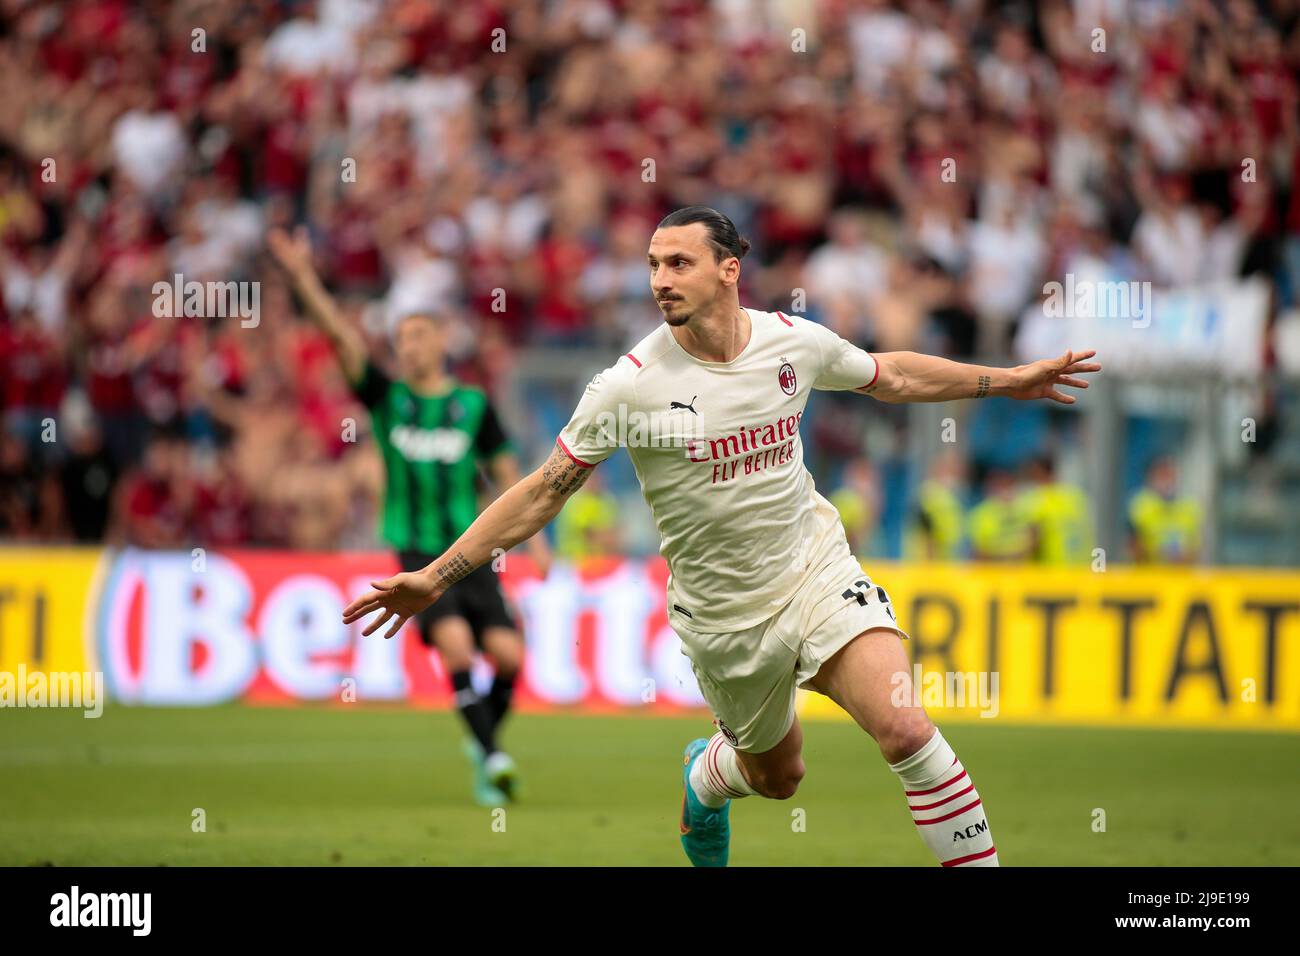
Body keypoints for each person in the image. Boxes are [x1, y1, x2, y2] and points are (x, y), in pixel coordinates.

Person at [342, 206, 1101, 866]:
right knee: (780, 777)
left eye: (678, 262)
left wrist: (1009, 379)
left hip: (815, 568)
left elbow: (891, 376)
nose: (660, 279)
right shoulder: (628, 386)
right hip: (724, 618)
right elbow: (543, 490)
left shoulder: (791, 343)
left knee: (904, 727)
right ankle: (707, 777)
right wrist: (436, 577)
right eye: (652, 265)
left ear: (728, 270)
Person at [267, 226, 551, 806]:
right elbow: (342, 338)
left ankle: (482, 743)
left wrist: (538, 543)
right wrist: (303, 279)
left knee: (509, 659)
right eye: (400, 338)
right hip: (417, 552)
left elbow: (505, 473)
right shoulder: (386, 398)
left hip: (474, 547)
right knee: (455, 649)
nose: (409, 347)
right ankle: (493, 759)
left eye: (418, 335)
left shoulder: (472, 405)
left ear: (443, 339)